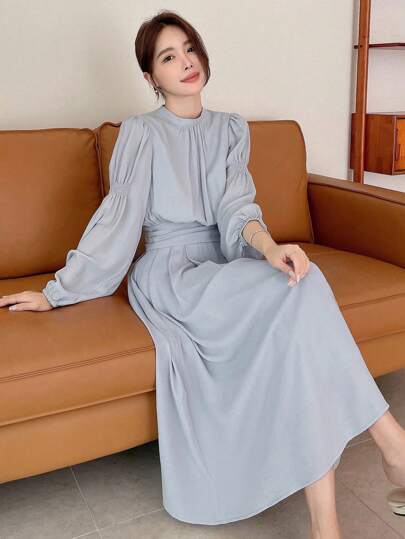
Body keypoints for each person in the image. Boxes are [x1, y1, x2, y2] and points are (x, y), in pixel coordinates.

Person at [2, 9, 405, 538]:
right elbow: (118, 221)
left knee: (299, 298)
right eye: (169, 57)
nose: (186, 62)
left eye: (189, 48)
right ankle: (393, 448)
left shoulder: (230, 129)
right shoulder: (141, 134)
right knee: (301, 298)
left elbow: (237, 208)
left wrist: (269, 248)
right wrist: (58, 292)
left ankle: (328, 521)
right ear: (151, 76)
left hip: (224, 264)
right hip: (171, 274)